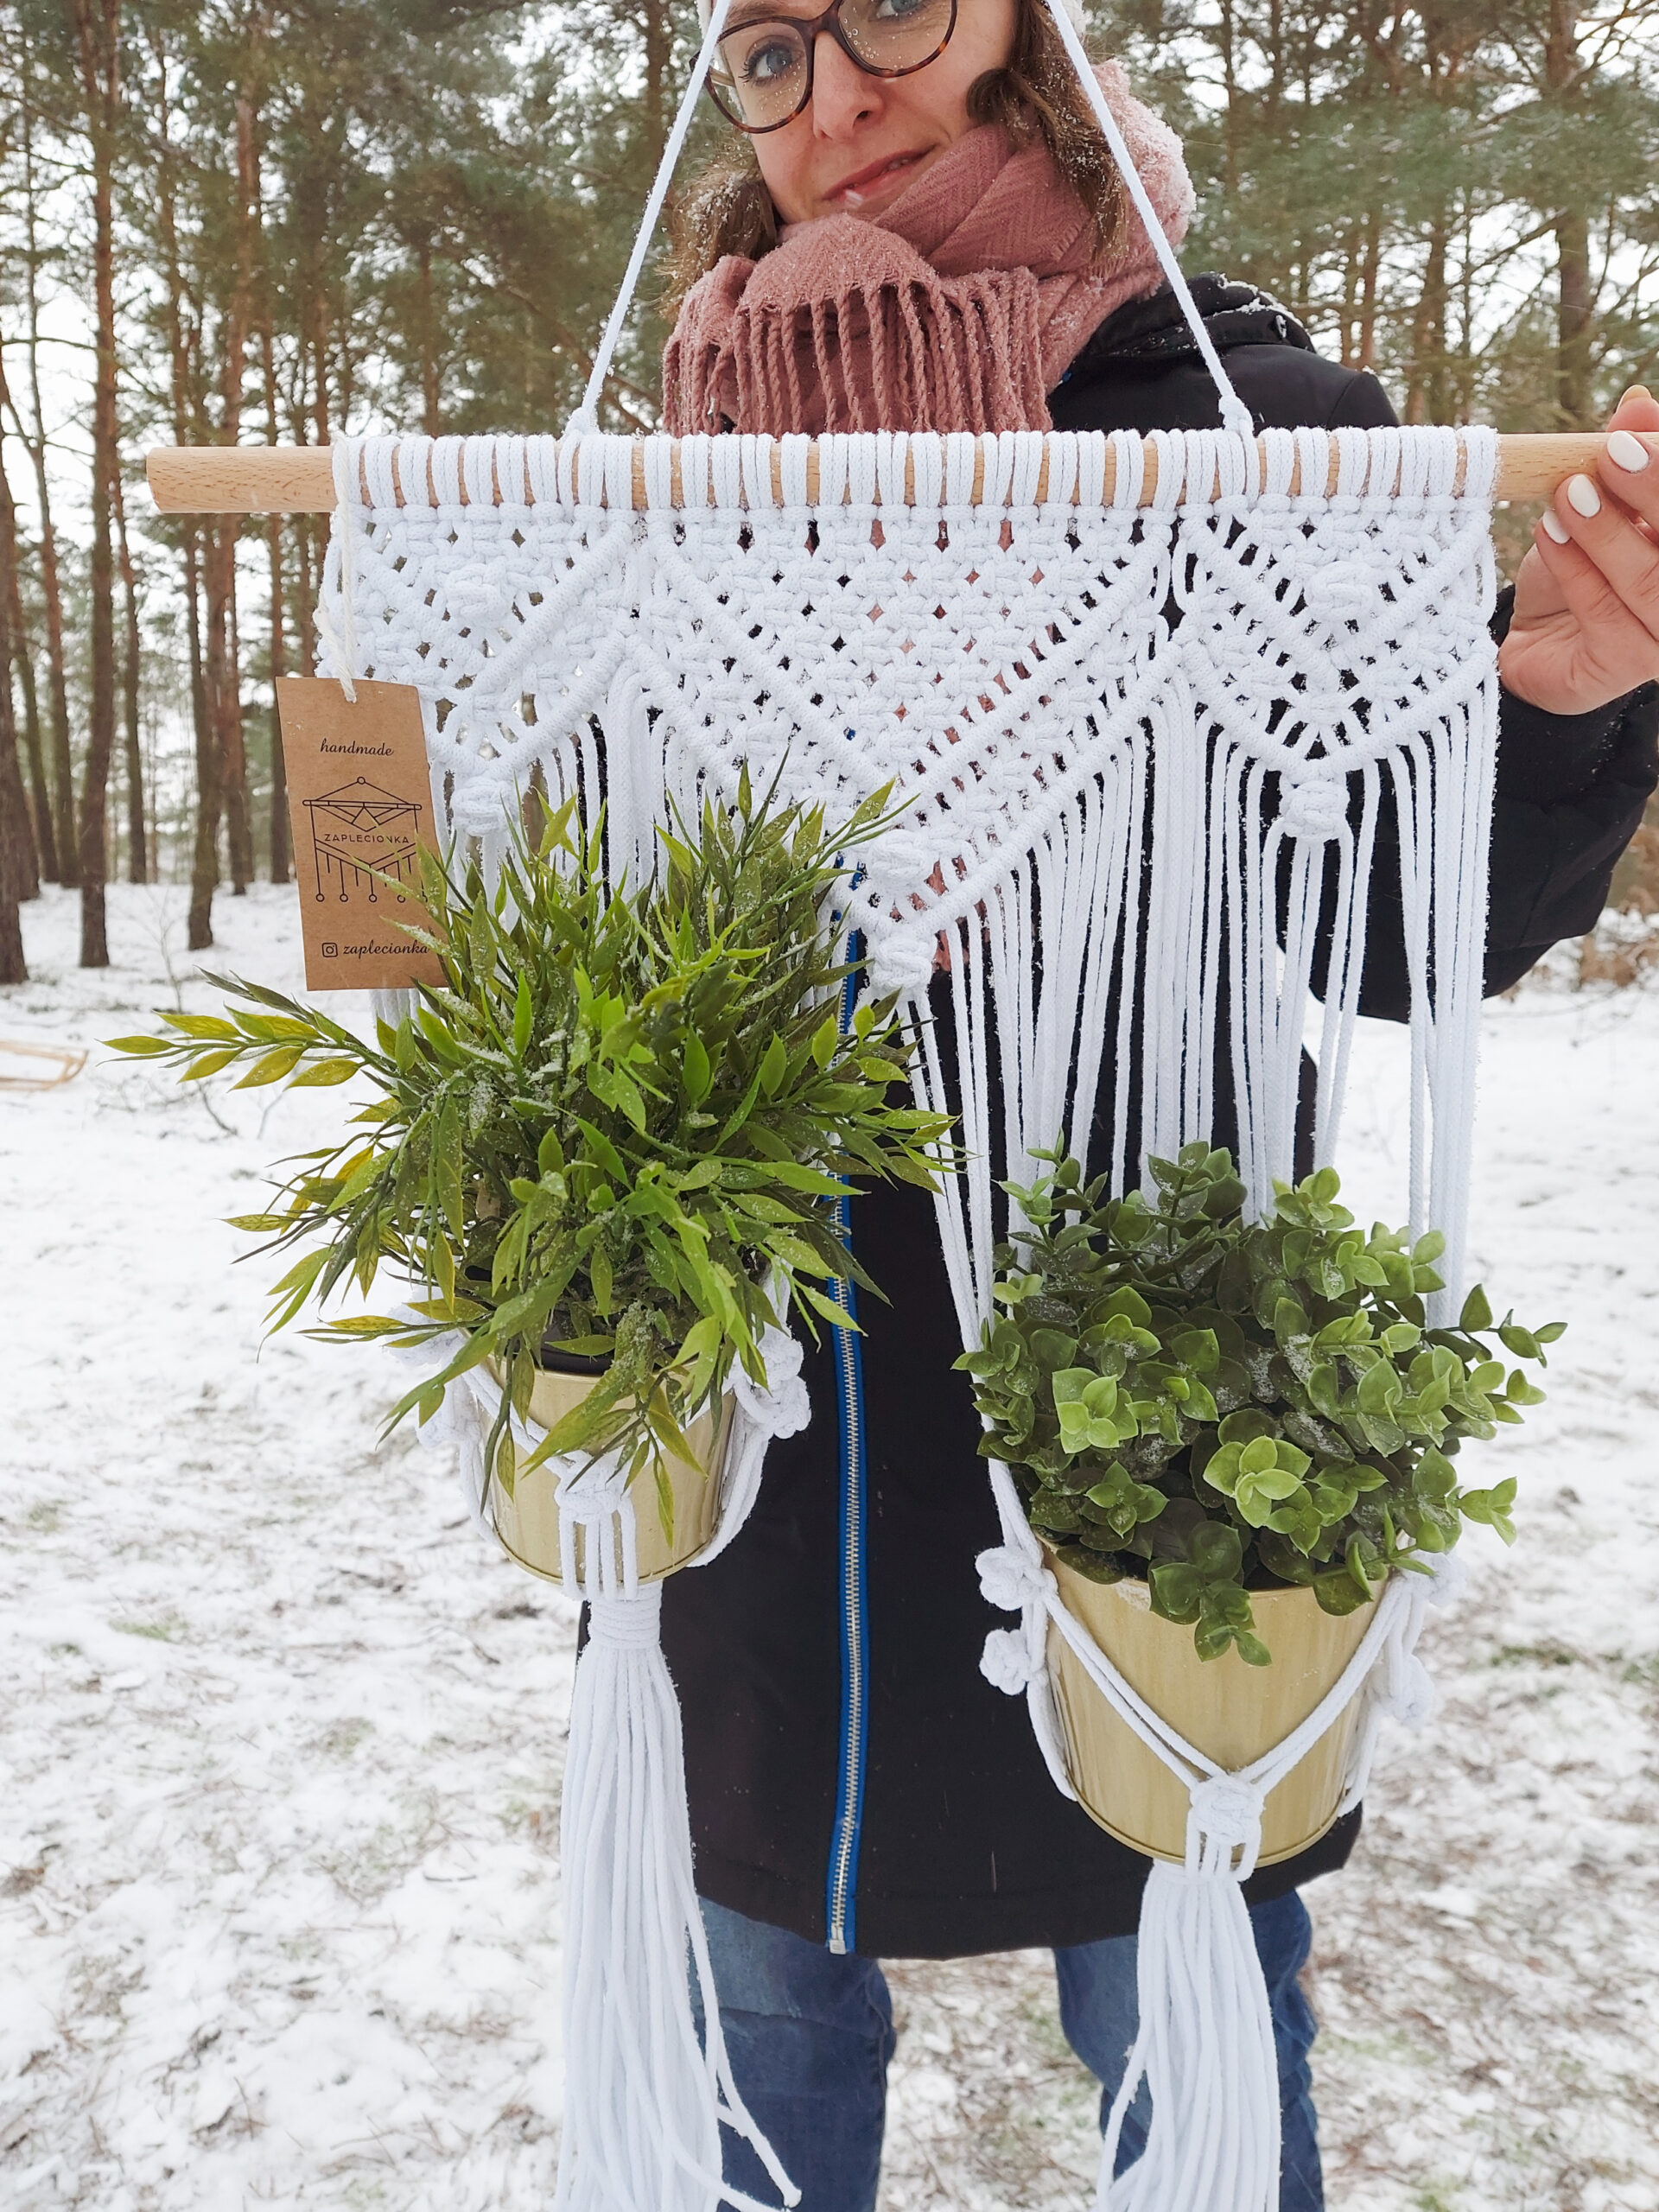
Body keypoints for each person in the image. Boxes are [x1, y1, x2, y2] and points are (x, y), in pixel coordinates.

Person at [652, 2, 1659, 2204]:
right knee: (756, 1986)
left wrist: (1555, 696)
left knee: (1176, 1995)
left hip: (1129, 1421)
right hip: (770, 1440)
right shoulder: (675, 460)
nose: (833, 95)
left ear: (1036, 37)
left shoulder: (1235, 422)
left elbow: (1405, 912)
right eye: (766, 51)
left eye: (893, 10)